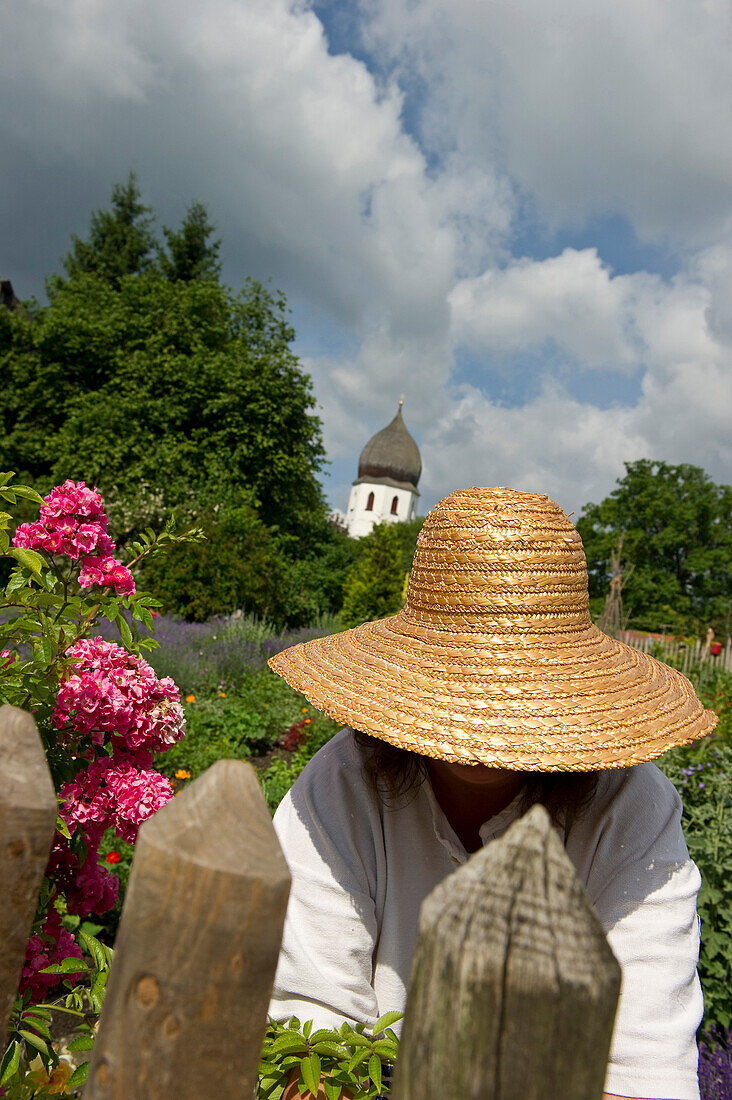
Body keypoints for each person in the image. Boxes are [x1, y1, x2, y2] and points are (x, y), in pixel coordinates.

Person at [267, 487, 716, 1100]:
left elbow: (640, 1067)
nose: (486, 730)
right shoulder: (345, 784)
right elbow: (307, 1028)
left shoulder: (629, 807)